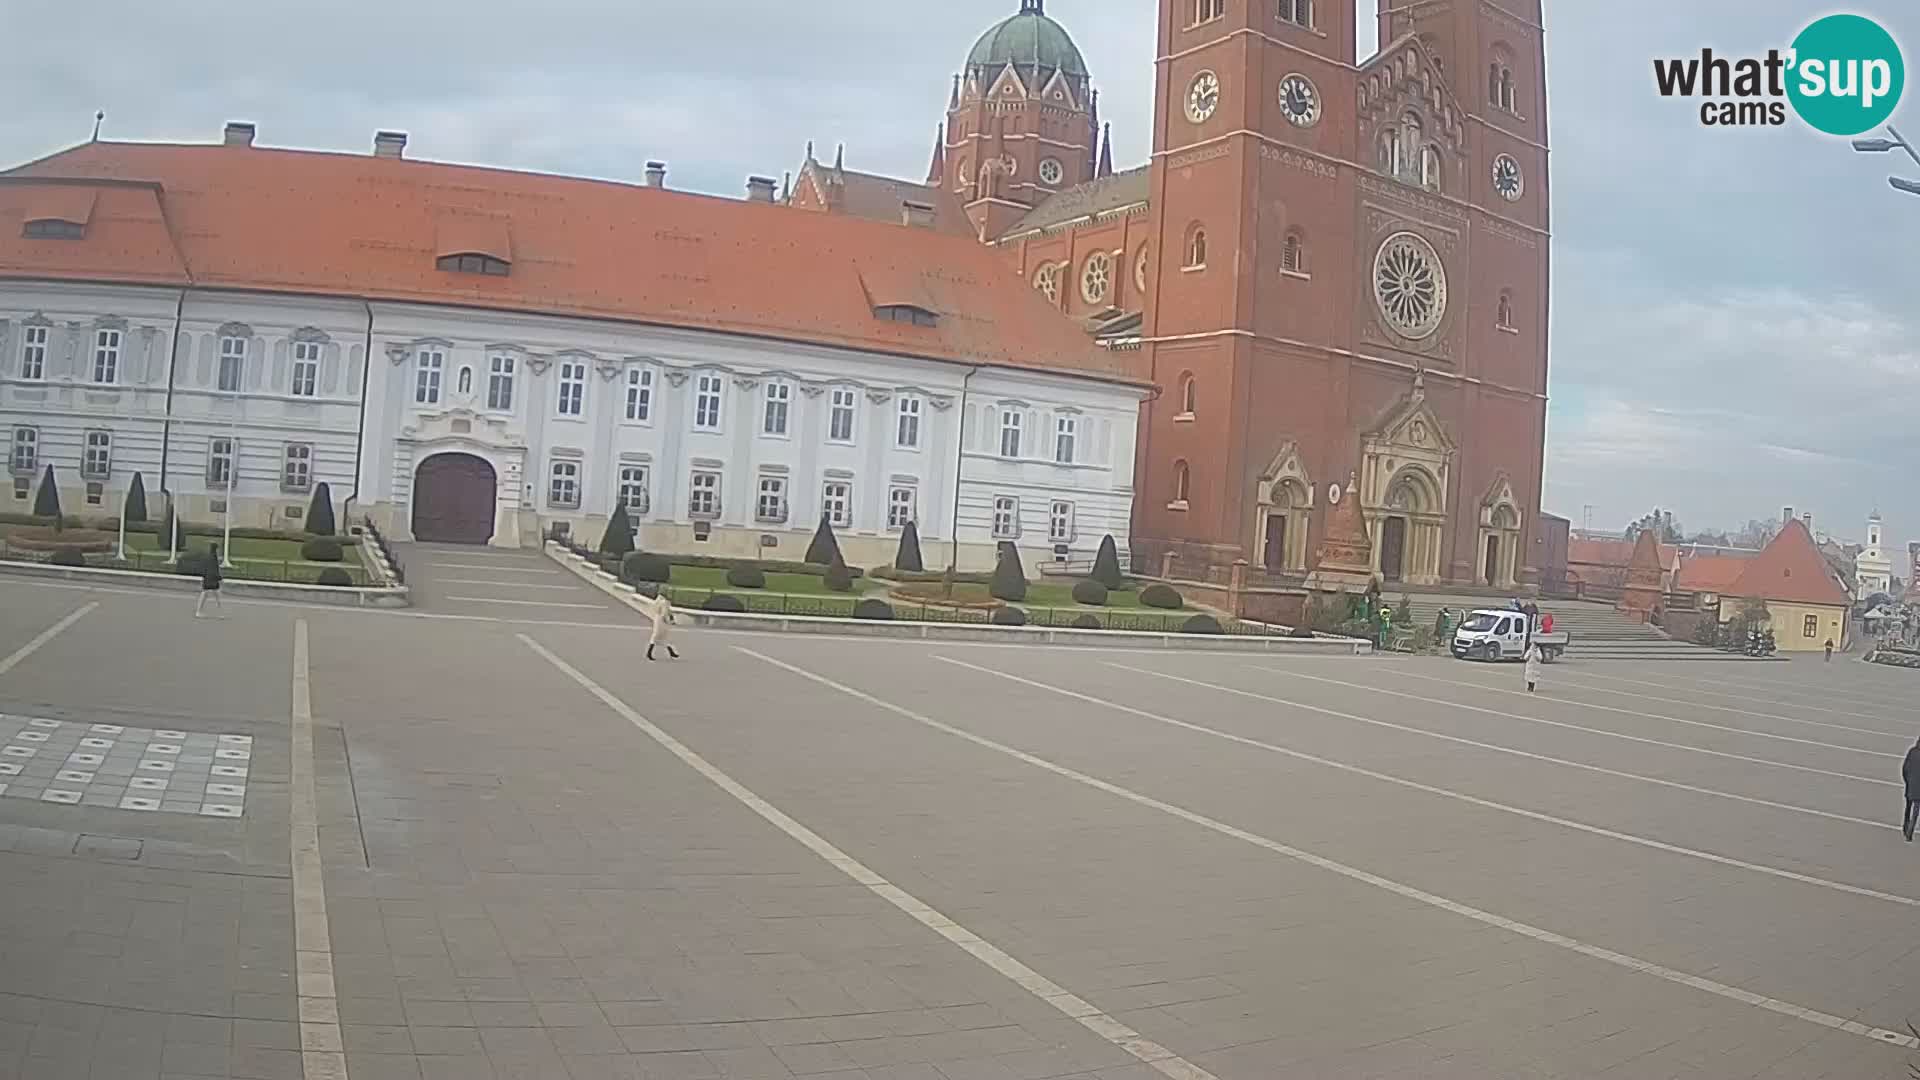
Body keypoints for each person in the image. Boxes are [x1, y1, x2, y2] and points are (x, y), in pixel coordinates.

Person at [635, 587, 680, 661]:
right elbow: (664, 613)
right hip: (661, 620)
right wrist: (668, 621)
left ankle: (670, 652)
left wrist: (670, 617)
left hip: (657, 618)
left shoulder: (659, 600)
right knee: (660, 636)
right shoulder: (665, 602)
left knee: (660, 636)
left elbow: (666, 610)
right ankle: (650, 653)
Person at [194, 544, 224, 619]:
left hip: (208, 579)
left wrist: (204, 577)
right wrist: (219, 578)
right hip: (212, 580)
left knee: (206, 595)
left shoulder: (208, 557)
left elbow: (204, 568)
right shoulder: (213, 558)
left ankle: (199, 611)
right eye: (218, 549)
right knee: (216, 595)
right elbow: (214, 570)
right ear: (215, 549)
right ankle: (220, 613)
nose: (219, 551)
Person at [1904, 737, 1920, 842]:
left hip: (1910, 785)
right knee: (1915, 812)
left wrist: (1907, 780)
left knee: (1908, 807)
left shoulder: (1912, 751)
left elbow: (1905, 768)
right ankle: (1909, 832)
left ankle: (1905, 826)